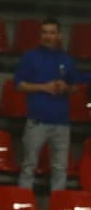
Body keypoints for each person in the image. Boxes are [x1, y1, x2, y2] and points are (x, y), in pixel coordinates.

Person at [16, 17, 87, 192]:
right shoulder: (30, 57)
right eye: (44, 32)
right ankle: (24, 201)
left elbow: (75, 87)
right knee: (28, 165)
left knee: (60, 168)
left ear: (59, 35)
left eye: (52, 33)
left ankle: (58, 205)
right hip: (36, 121)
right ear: (40, 35)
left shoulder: (67, 60)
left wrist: (65, 87)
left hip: (61, 122)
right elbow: (19, 85)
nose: (48, 36)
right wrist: (44, 87)